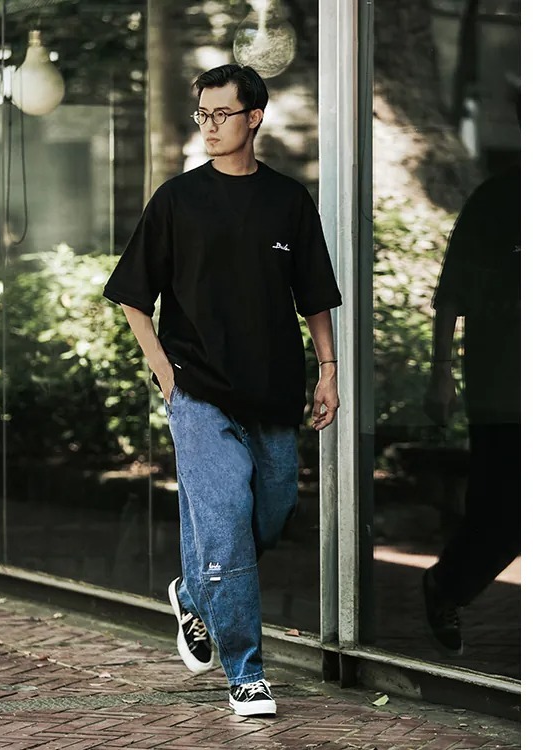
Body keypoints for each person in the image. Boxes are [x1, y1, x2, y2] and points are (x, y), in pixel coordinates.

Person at [103, 63, 342, 716]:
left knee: (272, 513)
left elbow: (314, 295)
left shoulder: (288, 200)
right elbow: (132, 296)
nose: (209, 127)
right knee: (229, 523)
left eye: (222, 115)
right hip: (199, 394)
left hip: (273, 393)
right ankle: (247, 673)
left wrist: (328, 369)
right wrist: (166, 373)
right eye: (202, 115)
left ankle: (194, 592)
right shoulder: (177, 200)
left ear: (254, 117)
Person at [422, 160, 521, 656]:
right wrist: (441, 372)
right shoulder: (497, 200)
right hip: (504, 387)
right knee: (501, 512)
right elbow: (451, 294)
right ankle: (448, 585)